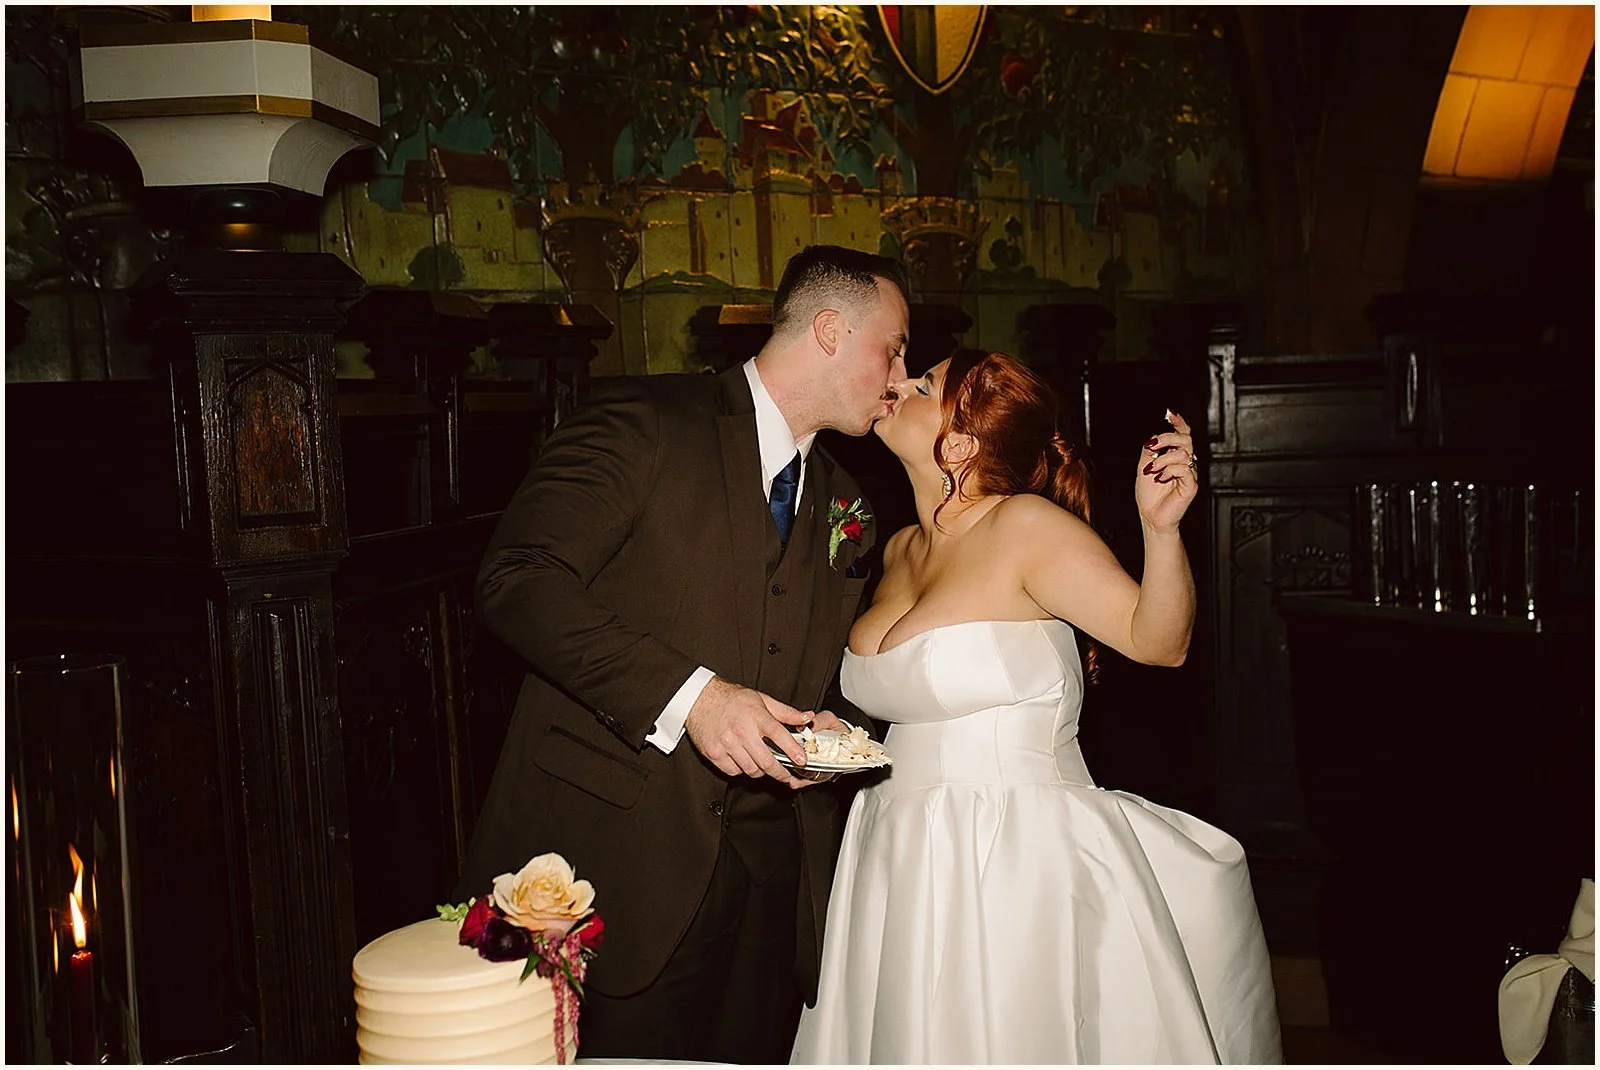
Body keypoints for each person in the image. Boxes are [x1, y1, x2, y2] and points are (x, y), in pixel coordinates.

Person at [453, 245, 911, 1063]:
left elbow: (809, 664)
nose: (903, 375)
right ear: (832, 330)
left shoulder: (849, 502)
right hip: (614, 863)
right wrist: (692, 698)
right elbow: (518, 580)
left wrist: (829, 736)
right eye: (895, 347)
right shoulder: (644, 422)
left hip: (770, 888)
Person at [789, 350, 1283, 1064]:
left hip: (1011, 851)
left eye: (923, 384)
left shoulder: (1024, 527)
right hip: (893, 845)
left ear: (959, 441)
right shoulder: (898, 548)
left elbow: (1159, 642)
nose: (897, 383)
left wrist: (1162, 530)